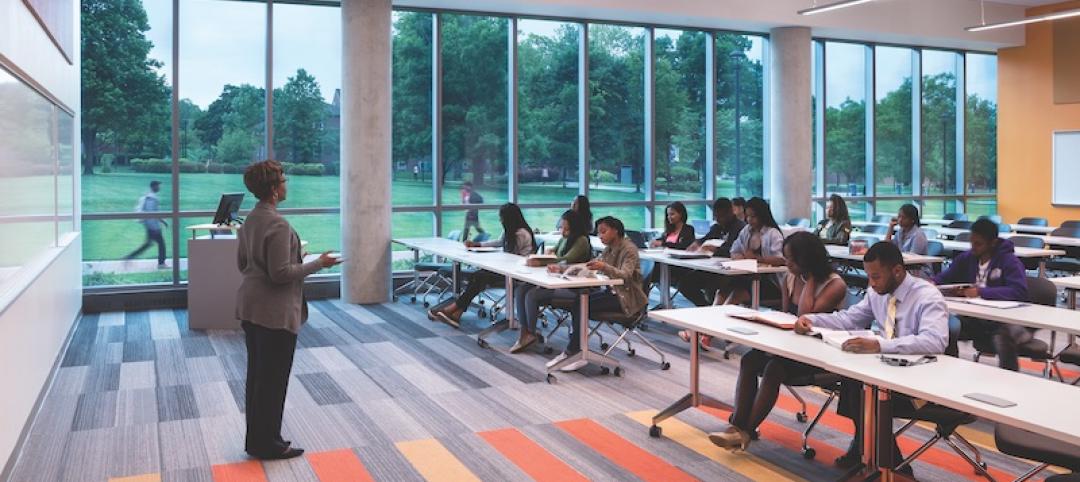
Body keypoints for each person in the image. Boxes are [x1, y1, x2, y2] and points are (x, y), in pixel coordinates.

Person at [795, 241, 949, 475]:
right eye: (868, 276)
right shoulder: (877, 293)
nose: (871, 283)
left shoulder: (927, 296)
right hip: (886, 371)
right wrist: (812, 319)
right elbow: (848, 319)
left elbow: (935, 341)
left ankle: (891, 467)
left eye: (876, 276)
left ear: (897, 271)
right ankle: (872, 454)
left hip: (921, 378)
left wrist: (880, 345)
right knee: (853, 382)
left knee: (866, 392)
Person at [235, 160, 341, 460]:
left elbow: (244, 264)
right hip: (274, 311)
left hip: (250, 307)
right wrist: (319, 263)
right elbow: (280, 274)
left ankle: (257, 440)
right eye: (283, 179)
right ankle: (268, 444)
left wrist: (296, 256)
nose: (286, 184)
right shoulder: (278, 224)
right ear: (272, 189)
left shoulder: (251, 219)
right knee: (273, 380)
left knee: (257, 376)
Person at [708, 232, 848, 451]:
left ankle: (744, 431)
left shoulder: (835, 284)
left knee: (774, 368)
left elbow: (805, 315)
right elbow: (786, 316)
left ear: (807, 259)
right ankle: (737, 426)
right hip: (791, 345)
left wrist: (810, 277)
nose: (787, 263)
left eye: (792, 259)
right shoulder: (790, 277)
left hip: (819, 353)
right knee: (749, 360)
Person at [678, 197, 785, 348]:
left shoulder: (773, 233)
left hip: (769, 283)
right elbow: (734, 251)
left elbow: (781, 259)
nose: (750, 220)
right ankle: (704, 332)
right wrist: (740, 257)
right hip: (747, 277)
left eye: (753, 216)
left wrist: (757, 258)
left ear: (762, 215)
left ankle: (705, 332)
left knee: (734, 295)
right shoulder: (747, 231)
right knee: (721, 291)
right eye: (748, 216)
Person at [546, 217, 647, 372]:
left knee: (580, 305)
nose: (600, 236)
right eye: (599, 232)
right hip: (612, 293)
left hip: (625, 299)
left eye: (603, 232)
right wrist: (561, 269)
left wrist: (604, 267)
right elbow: (590, 266)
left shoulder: (629, 249)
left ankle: (576, 352)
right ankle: (574, 350)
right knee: (579, 303)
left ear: (616, 231)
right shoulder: (609, 249)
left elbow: (625, 275)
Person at [934, 219, 1030, 371]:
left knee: (1004, 337)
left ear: (993, 242)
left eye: (978, 244)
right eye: (972, 242)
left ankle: (1008, 380)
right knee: (947, 326)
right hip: (975, 317)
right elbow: (945, 277)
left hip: (1002, 319)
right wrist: (932, 283)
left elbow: (1019, 291)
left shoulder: (1009, 261)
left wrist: (981, 292)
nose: (973, 248)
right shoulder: (967, 258)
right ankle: (949, 368)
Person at [430, 203, 536, 328]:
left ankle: (454, 308)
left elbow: (511, 257)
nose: (500, 220)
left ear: (509, 218)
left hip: (517, 274)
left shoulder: (521, 234)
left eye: (501, 217)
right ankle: (456, 312)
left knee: (480, 276)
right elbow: (499, 243)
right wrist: (478, 245)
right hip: (507, 270)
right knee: (478, 275)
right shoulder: (510, 230)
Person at [512, 210, 592, 353]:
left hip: (573, 287)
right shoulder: (564, 239)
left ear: (575, 227)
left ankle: (530, 332)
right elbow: (555, 253)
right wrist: (547, 254)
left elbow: (566, 259)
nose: (563, 232)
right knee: (521, 289)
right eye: (562, 228)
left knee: (532, 295)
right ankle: (525, 331)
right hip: (556, 279)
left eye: (567, 229)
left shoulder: (581, 241)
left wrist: (545, 260)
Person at [678, 198, 746, 307]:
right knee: (685, 284)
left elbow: (734, 250)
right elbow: (704, 239)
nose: (718, 219)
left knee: (715, 286)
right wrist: (697, 244)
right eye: (716, 216)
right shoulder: (717, 227)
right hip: (713, 268)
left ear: (730, 213)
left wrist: (715, 250)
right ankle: (705, 307)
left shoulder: (740, 228)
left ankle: (710, 308)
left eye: (721, 216)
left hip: (730, 271)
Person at [125, 180, 169, 269]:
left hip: (151, 226)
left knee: (148, 244)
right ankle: (161, 264)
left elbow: (154, 213)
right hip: (153, 227)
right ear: (153, 187)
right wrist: (156, 226)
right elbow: (151, 213)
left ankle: (130, 256)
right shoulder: (151, 199)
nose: (159, 187)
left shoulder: (151, 197)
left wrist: (162, 221)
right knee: (161, 244)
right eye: (157, 186)